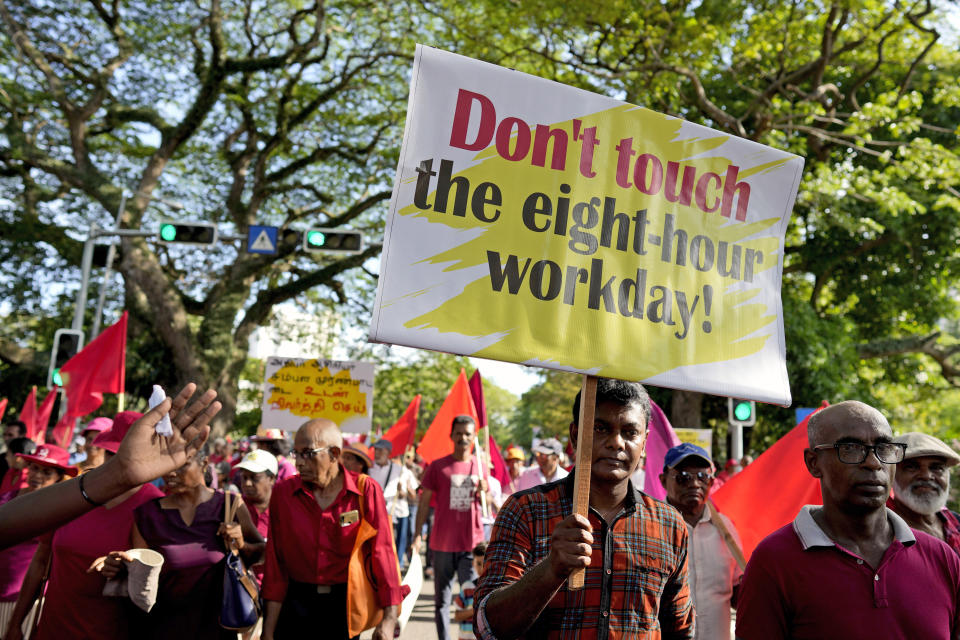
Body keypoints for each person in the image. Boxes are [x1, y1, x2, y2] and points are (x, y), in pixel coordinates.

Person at [475, 378, 694, 640]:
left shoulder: (669, 524)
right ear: (575, 435)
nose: (616, 442)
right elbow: (489, 626)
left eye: (629, 432)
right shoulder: (525, 511)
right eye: (601, 428)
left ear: (644, 442)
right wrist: (551, 569)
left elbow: (679, 629)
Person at [736, 401, 960, 639]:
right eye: (851, 448)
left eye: (883, 447)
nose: (874, 463)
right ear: (813, 462)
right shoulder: (773, 561)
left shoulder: (941, 558)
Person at [0, 383, 220, 551]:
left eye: (115, 453)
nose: (111, 458)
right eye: (109, 453)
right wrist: (115, 475)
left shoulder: (152, 504)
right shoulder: (76, 488)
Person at [6, 413, 165, 640]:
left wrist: (128, 569)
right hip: (51, 630)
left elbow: (159, 584)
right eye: (109, 453)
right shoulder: (74, 492)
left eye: (121, 455)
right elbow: (41, 560)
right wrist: (16, 623)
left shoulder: (154, 505)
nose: (114, 463)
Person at [261, 419, 404, 640]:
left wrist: (389, 618)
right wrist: (268, 630)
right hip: (295, 605)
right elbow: (275, 564)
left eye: (307, 453)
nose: (298, 462)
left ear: (334, 454)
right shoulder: (283, 493)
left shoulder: (365, 491)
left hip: (344, 608)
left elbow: (383, 555)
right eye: (295, 453)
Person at [121, 447, 264, 640]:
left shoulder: (229, 506)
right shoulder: (147, 516)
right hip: (162, 628)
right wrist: (121, 565)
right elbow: (138, 582)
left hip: (217, 628)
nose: (170, 472)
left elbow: (261, 553)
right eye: (165, 465)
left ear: (204, 464)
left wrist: (241, 544)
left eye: (180, 465)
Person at [412, 415, 487, 640]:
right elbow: (424, 503)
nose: (463, 437)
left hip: (470, 547)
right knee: (442, 602)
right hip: (442, 544)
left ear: (474, 437)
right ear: (451, 436)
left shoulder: (480, 467)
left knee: (474, 598)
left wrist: (486, 491)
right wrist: (417, 535)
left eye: (468, 433)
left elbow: (489, 504)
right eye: (459, 433)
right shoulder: (438, 466)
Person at [660, 443, 742, 640]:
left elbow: (739, 591)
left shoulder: (727, 529)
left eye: (702, 477)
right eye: (684, 477)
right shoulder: (651, 528)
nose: (695, 484)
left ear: (712, 482)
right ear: (663, 481)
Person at [0, 444, 75, 636]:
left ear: (59, 478)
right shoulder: (5, 498)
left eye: (46, 472)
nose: (38, 476)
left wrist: (17, 620)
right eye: (34, 467)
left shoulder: (59, 513)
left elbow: (44, 562)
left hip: (21, 598)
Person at [888, 431, 960, 555]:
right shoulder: (883, 530)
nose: (926, 476)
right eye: (912, 467)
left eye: (936, 467)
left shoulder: (956, 522)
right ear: (891, 475)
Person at [369, 439, 417, 569]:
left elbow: (413, 495)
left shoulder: (401, 470)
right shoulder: (369, 468)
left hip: (398, 512)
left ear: (388, 452)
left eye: (380, 450)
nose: (377, 453)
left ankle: (397, 566)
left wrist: (403, 492)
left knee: (398, 543)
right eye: (376, 450)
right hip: (377, 513)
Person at [453, 541, 487, 640]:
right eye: (479, 563)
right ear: (473, 564)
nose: (482, 568)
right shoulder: (467, 587)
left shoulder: (495, 589)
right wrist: (476, 610)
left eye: (485, 563)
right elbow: (457, 616)